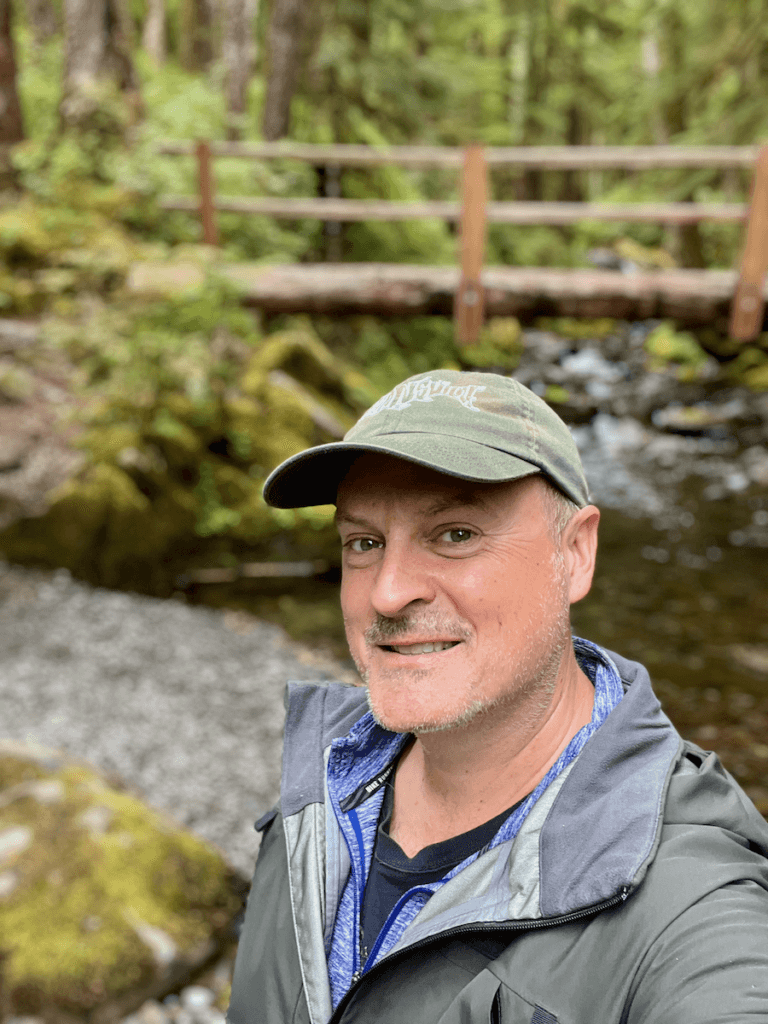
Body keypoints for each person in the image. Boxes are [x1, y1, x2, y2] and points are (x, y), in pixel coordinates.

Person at [227, 369, 768, 1024]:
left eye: (455, 534)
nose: (388, 592)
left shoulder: (691, 904)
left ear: (576, 553)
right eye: (364, 542)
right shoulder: (317, 797)